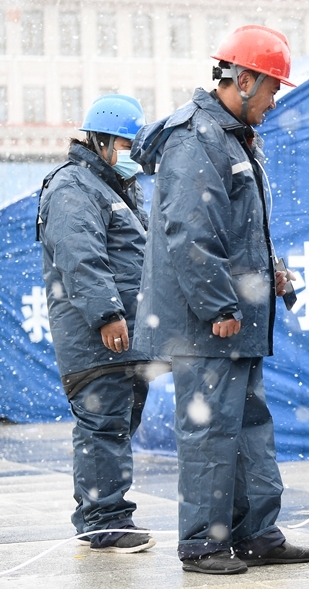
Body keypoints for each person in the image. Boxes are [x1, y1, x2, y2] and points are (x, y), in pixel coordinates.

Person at [130, 25, 309, 575]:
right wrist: (218, 305)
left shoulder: (232, 138)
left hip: (238, 321)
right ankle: (202, 544)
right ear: (244, 79)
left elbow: (240, 230)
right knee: (211, 433)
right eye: (273, 88)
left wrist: (271, 272)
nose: (274, 101)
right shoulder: (197, 138)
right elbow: (191, 233)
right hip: (208, 323)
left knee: (249, 428)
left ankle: (256, 534)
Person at [36, 94, 155, 553]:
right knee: (103, 426)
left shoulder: (117, 188)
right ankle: (106, 520)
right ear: (101, 141)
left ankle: (96, 515)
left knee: (116, 425)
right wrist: (107, 314)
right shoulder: (73, 186)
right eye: (126, 145)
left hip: (129, 337)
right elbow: (80, 257)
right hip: (97, 337)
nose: (132, 155)